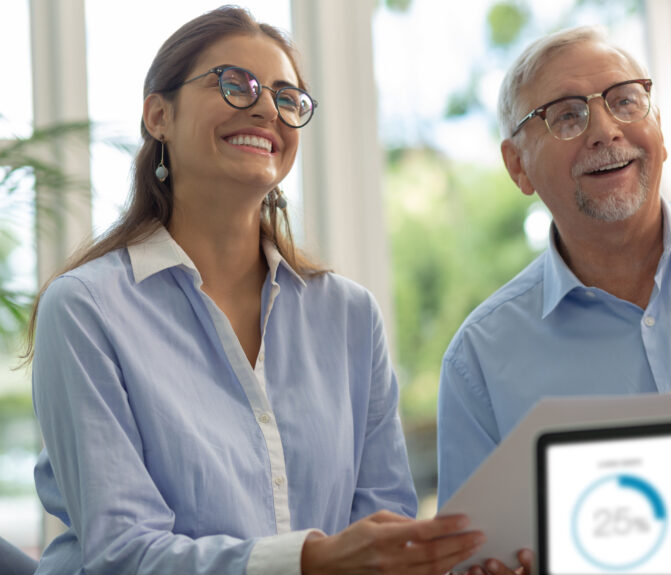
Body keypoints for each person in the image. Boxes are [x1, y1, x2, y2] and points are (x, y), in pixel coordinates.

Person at [26, 7, 485, 574]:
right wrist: (311, 560)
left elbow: (383, 526)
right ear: (158, 115)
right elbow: (122, 554)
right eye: (234, 84)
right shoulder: (86, 310)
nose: (267, 108)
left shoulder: (349, 316)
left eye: (286, 98)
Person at [437, 25, 671, 509]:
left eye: (625, 101)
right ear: (518, 166)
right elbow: (469, 551)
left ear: (659, 124)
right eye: (567, 116)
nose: (605, 131)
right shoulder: (479, 363)